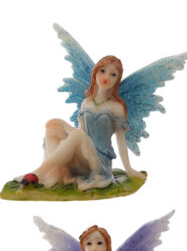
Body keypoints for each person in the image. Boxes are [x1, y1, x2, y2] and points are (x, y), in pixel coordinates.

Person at [21, 56, 145, 190]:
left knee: (78, 135)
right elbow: (81, 130)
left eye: (113, 74)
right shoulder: (86, 103)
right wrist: (66, 139)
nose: (106, 77)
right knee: (53, 124)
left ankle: (38, 173)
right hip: (83, 152)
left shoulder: (116, 107)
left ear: (117, 80)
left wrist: (129, 169)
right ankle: (55, 171)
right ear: (95, 72)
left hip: (99, 161)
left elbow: (121, 140)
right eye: (102, 71)